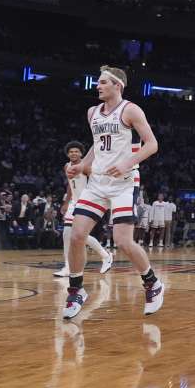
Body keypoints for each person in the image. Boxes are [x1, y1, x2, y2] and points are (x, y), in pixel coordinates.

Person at [63, 66, 164, 320]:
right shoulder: (92, 113)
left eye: (103, 82)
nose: (98, 85)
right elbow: (97, 148)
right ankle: (75, 291)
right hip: (97, 183)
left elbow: (152, 144)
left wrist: (127, 163)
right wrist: (82, 166)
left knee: (123, 241)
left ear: (117, 85)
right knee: (76, 235)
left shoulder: (130, 110)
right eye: (98, 82)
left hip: (124, 184)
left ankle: (152, 283)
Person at [53, 141, 113, 278]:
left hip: (86, 202)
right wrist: (66, 202)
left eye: (76, 151)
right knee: (68, 234)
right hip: (74, 202)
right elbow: (69, 185)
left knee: (78, 235)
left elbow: (97, 181)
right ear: (68, 154)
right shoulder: (67, 166)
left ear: (81, 154)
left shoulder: (86, 167)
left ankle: (105, 255)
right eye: (71, 151)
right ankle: (69, 266)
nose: (73, 153)